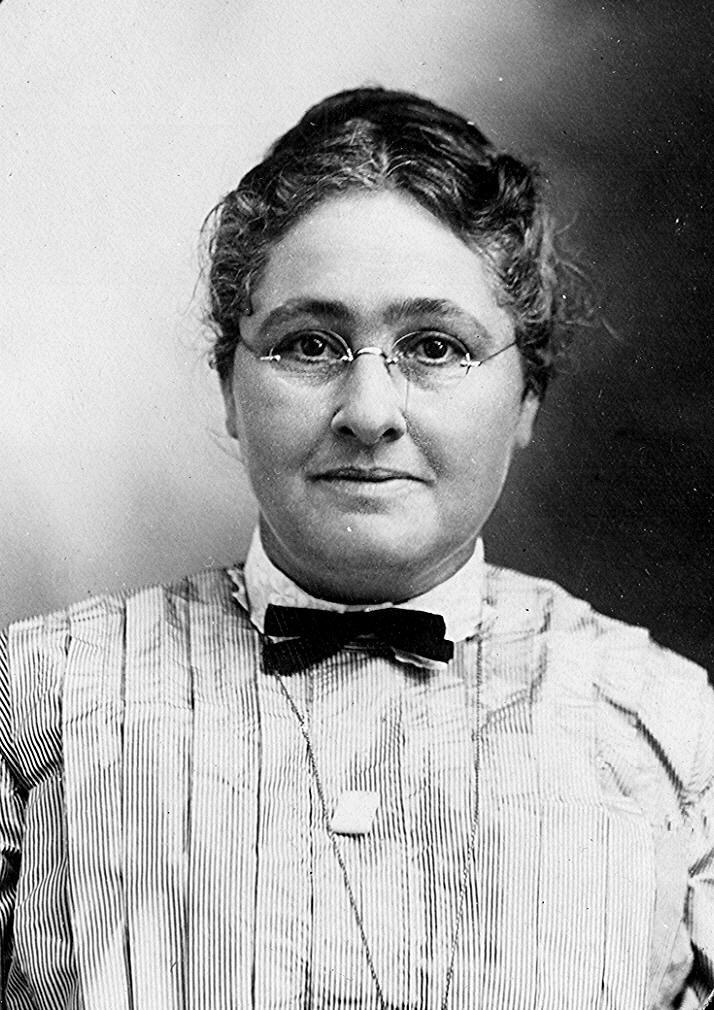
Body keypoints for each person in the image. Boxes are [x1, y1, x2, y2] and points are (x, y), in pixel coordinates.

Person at [0, 87, 712, 1010]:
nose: (370, 413)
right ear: (229, 386)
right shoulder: (38, 702)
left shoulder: (674, 735)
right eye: (309, 344)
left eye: (436, 347)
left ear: (527, 395)